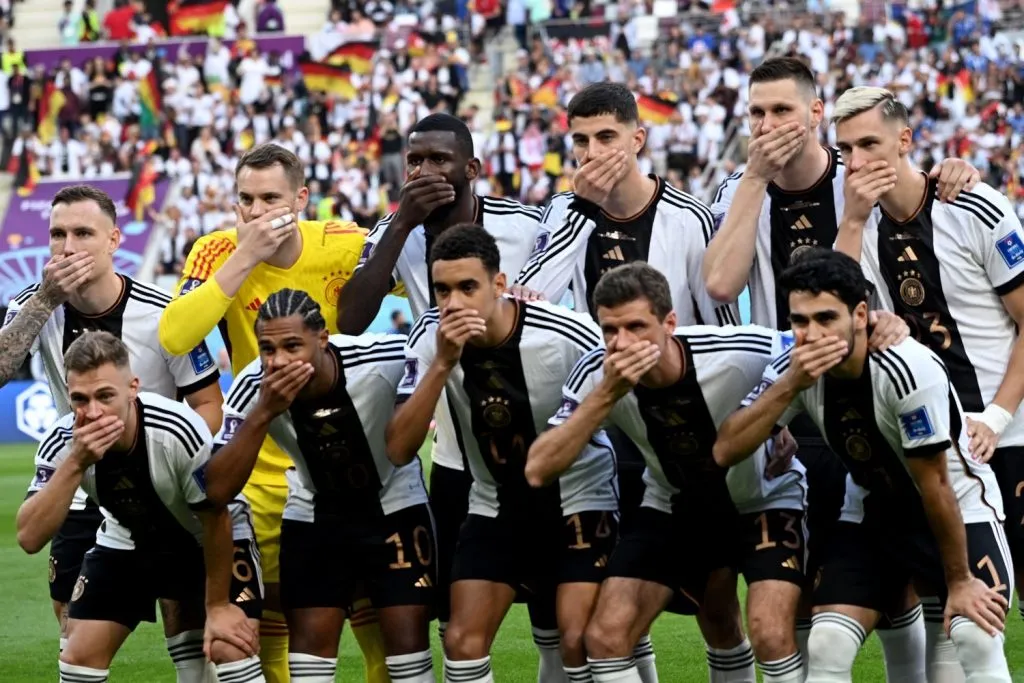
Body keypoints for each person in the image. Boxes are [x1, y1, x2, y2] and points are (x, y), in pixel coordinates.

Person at [702, 57, 981, 675]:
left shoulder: (857, 175)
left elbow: (917, 199)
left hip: (867, 393)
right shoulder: (735, 190)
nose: (769, 124)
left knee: (902, 578)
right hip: (791, 403)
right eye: (757, 112)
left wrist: (955, 171)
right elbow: (721, 284)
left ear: (815, 113)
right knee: (808, 594)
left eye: (783, 110)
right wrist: (752, 178)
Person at [527, 262, 907, 683]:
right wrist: (606, 395)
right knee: (605, 637)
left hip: (762, 499)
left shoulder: (741, 350)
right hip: (673, 504)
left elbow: (818, 340)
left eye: (636, 327)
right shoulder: (597, 374)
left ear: (670, 323)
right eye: (610, 330)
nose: (621, 344)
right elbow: (540, 467)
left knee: (770, 634)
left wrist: (880, 321)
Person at [513, 80, 760, 681]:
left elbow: (720, 325)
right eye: (580, 142)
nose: (593, 152)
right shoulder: (564, 213)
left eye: (607, 137)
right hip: (604, 428)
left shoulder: (691, 217)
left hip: (679, 434)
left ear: (637, 138)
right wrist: (578, 210)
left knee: (716, 605)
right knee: (609, 603)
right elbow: (529, 300)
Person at [337, 112, 568, 675]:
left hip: (541, 443)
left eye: (439, 159)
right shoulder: (398, 236)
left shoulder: (523, 227)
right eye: (415, 159)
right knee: (456, 623)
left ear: (472, 169)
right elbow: (351, 318)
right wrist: (400, 224)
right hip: (459, 450)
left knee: (559, 622)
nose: (424, 170)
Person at [713, 249, 1012, 683]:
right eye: (800, 321)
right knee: (827, 642)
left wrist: (960, 580)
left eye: (825, 318)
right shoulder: (796, 367)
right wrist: (791, 385)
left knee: (975, 636)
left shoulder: (906, 368)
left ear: (859, 314)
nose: (811, 334)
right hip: (873, 508)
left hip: (957, 507)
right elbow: (726, 448)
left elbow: (936, 485)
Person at [158, 143, 386, 683]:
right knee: (271, 624)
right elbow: (175, 334)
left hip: (347, 458)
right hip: (260, 464)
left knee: (376, 618)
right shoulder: (216, 250)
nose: (256, 212)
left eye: (270, 199)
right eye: (245, 200)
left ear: (302, 199)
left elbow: (417, 277)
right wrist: (245, 256)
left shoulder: (343, 241)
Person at [0, 184, 223, 677]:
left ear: (114, 240)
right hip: (84, 485)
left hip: (165, 487)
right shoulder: (34, 307)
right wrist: (46, 300)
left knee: (185, 621)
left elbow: (209, 406)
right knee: (74, 631)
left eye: (83, 233)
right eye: (58, 234)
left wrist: (176, 465)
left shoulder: (164, 310)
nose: (68, 246)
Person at [386, 224, 618, 682]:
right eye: (442, 289)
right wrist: (444, 363)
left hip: (577, 496)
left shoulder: (566, 331)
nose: (453, 302)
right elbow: (398, 447)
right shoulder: (428, 338)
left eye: (467, 287)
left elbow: (627, 392)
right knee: (461, 642)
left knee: (577, 639)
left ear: (499, 284)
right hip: (494, 500)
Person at [830, 87, 1024, 632]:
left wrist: (997, 416)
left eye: (869, 144)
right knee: (949, 599)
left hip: (1005, 429)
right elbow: (841, 320)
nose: (858, 162)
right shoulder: (855, 224)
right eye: (846, 150)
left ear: (905, 140)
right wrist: (850, 223)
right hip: (932, 441)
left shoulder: (972, 205)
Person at [205, 289, 435, 682]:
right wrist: (264, 412)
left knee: (408, 646)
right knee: (309, 658)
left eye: (292, 345)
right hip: (314, 510)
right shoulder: (253, 387)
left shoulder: (385, 359)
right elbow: (215, 489)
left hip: (394, 503)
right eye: (267, 348)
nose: (279, 361)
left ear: (323, 338)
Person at [15, 332, 264, 683]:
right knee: (77, 658)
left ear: (133, 388)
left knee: (228, 646)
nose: (93, 412)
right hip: (128, 538)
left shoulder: (176, 428)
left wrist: (218, 606)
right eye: (80, 400)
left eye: (105, 396)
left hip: (204, 538)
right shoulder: (62, 441)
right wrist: (76, 462)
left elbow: (216, 516)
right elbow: (28, 537)